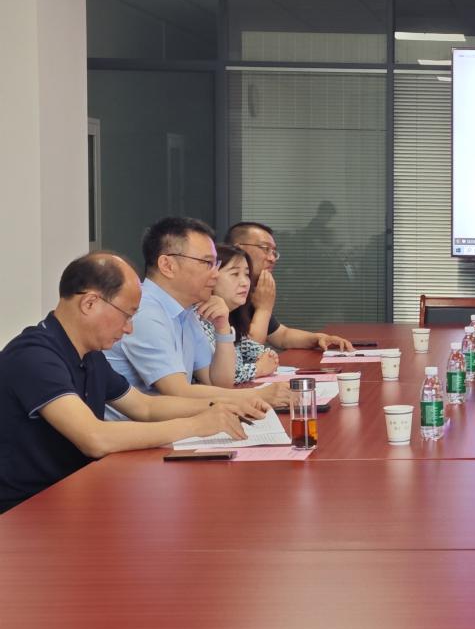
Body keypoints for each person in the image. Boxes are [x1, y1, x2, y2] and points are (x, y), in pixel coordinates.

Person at [0, 253, 268, 512]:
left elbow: (145, 407)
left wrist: (222, 407)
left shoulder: (90, 355)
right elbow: (94, 437)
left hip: (76, 493)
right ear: (90, 303)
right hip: (27, 511)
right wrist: (196, 425)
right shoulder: (34, 356)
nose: (129, 328)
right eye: (127, 315)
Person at [105, 217, 288, 411]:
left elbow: (218, 382)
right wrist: (258, 395)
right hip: (140, 427)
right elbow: (178, 392)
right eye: (207, 263)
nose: (215, 274)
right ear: (167, 265)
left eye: (216, 264)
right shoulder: (144, 312)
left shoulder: (185, 310)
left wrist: (222, 328)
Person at [225, 221, 353, 353]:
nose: (272, 258)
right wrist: (264, 309)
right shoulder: (223, 291)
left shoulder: (252, 291)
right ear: (238, 249)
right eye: (265, 248)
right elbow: (247, 352)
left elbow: (281, 335)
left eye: (274, 252)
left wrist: (319, 338)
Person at [195, 243, 280, 384]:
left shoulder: (230, 315)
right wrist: (258, 369)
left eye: (247, 274)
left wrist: (268, 357)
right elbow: (223, 376)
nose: (245, 282)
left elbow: (255, 351)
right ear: (212, 277)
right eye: (235, 274)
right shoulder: (200, 317)